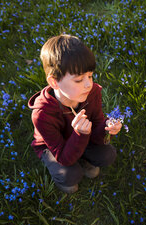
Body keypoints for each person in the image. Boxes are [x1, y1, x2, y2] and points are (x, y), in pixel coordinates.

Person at [28, 34, 122, 193]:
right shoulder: (42, 114)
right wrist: (80, 134)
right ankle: (63, 168)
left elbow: (97, 127)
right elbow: (64, 157)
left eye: (90, 76)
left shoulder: (92, 93)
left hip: (80, 137)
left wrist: (106, 128)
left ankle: (82, 156)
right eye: (79, 80)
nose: (88, 84)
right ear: (54, 82)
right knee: (70, 176)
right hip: (54, 148)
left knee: (108, 155)